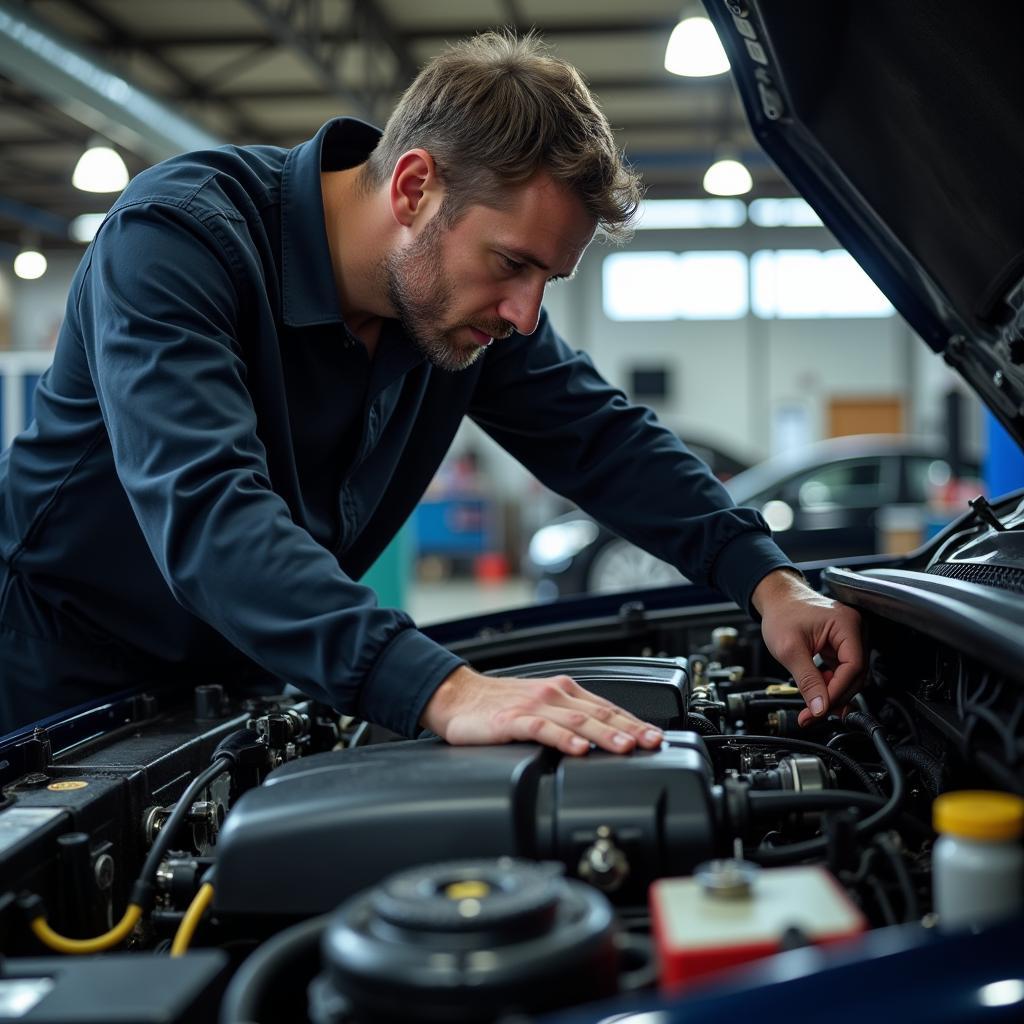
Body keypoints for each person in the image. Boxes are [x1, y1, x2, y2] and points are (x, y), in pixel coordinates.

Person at [0, 32, 862, 747]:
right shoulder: (178, 241)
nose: (526, 316)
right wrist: (442, 689)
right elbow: (211, 511)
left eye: (547, 281)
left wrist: (769, 581)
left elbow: (602, 439)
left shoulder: (454, 310)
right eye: (513, 264)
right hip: (55, 688)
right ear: (416, 188)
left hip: (245, 675)